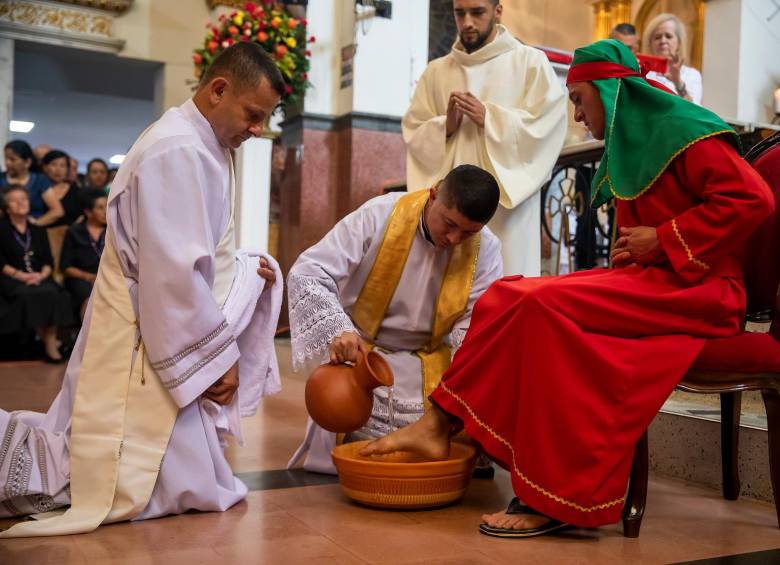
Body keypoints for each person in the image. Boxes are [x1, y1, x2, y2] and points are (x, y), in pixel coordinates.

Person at [361, 39, 774, 538]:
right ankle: (442, 422)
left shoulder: (687, 133)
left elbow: (754, 200)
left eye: (579, 98)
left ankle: (552, 494)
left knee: (541, 308)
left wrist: (663, 240)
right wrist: (644, 248)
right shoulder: (636, 135)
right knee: (505, 296)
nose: (576, 115)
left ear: (609, 90)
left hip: (704, 292)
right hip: (656, 283)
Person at [0, 42, 286, 537]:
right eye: (254, 115)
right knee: (108, 465)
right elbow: (172, 273)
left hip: (153, 315)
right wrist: (220, 358)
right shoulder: (177, 149)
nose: (258, 130)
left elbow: (202, 252)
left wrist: (243, 269)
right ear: (219, 89)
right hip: (143, 320)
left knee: (165, 467)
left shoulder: (204, 145)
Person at [287, 165, 503, 474]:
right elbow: (309, 272)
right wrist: (340, 330)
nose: (454, 239)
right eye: (449, 224)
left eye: (468, 233)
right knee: (359, 443)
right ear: (433, 195)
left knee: (449, 438)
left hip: (431, 360)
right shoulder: (379, 216)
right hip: (363, 354)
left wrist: (466, 385)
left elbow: (478, 321)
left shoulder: (487, 249)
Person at [402, 0, 566, 277]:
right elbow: (414, 129)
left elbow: (548, 123)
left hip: (504, 209)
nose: (467, 22)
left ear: (497, 12)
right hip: (450, 207)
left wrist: (489, 118)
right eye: (459, 13)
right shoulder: (436, 71)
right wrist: (446, 127)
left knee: (504, 282)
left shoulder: (528, 61)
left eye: (477, 12)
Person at [0, 185, 72, 362]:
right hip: (12, 278)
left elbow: (48, 262)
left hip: (40, 276)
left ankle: (48, 338)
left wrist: (40, 275)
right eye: (15, 200)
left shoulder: (38, 230)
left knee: (55, 292)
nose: (21, 203)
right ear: (7, 207)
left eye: (24, 199)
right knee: (28, 293)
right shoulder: (2, 229)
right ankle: (47, 342)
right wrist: (21, 276)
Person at [60, 189, 107, 320]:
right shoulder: (74, 232)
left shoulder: (112, 231)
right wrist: (89, 277)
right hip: (81, 277)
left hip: (108, 275)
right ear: (88, 212)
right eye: (100, 207)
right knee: (89, 296)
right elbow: (65, 266)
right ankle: (87, 338)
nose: (106, 211)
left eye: (107, 206)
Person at [642, 13, 702, 105]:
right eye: (657, 37)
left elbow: (694, 110)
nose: (663, 41)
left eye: (668, 36)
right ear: (650, 43)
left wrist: (677, 81)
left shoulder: (692, 74)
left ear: (679, 42)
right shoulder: (641, 71)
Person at [1, 140, 63, 225]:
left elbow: (57, 211)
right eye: (6, 158)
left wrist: (32, 228)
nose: (7, 163)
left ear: (27, 162)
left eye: (12, 159)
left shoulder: (40, 180)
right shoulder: (1, 178)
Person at [41, 149, 83, 227]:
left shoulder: (77, 191)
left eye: (62, 166)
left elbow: (82, 216)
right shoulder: (38, 189)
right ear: (45, 167)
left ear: (67, 169)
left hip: (70, 236)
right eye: (53, 164)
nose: (58, 169)